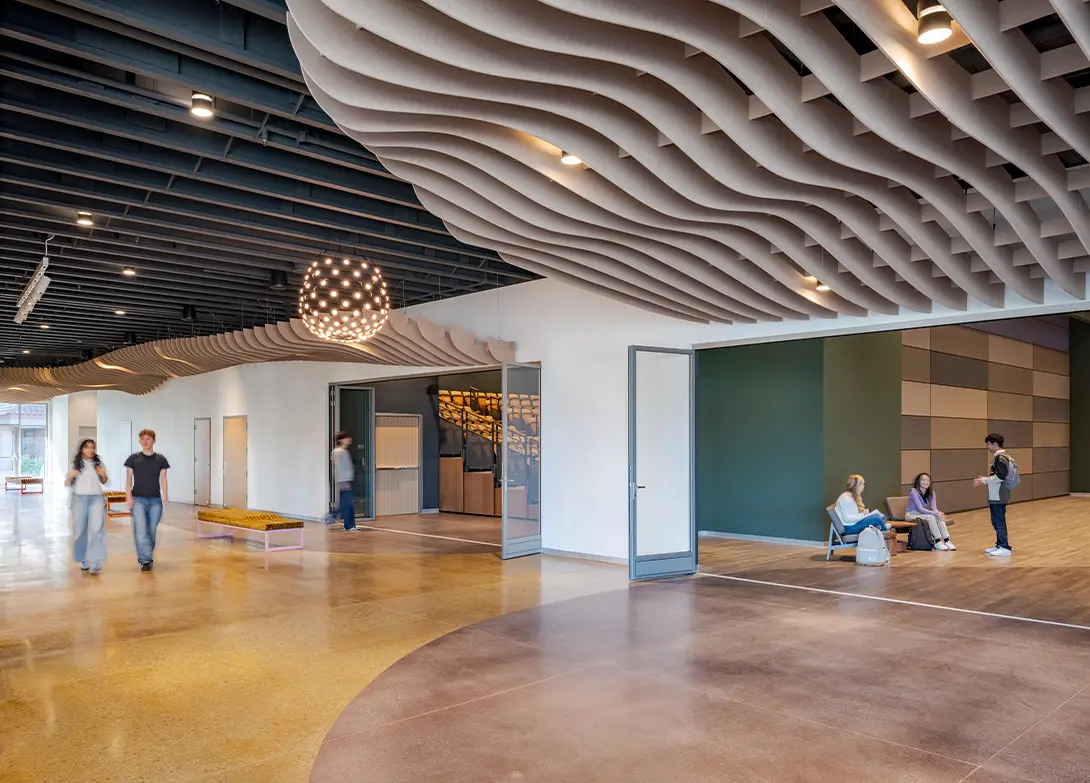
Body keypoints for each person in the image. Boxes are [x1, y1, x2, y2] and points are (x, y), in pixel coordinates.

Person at [125, 429, 170, 571]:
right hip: (138, 499)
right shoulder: (133, 459)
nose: (145, 441)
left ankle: (147, 553)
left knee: (151, 529)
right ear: (139, 441)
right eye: (142, 439)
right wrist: (128, 496)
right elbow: (128, 480)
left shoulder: (160, 459)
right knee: (140, 529)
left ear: (154, 441)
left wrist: (165, 495)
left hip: (155, 501)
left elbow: (163, 479)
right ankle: (145, 559)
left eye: (148, 439)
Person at [65, 438, 108, 574]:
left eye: (92, 447)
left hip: (96, 498)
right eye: (87, 447)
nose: (91, 450)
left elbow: (105, 481)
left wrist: (103, 474)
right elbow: (66, 482)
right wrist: (71, 476)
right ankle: (83, 559)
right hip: (79, 498)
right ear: (82, 449)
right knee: (80, 530)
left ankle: (95, 560)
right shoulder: (74, 464)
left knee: (97, 529)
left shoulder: (98, 464)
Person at [974, 433, 1013, 557]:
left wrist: (984, 480)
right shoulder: (1004, 457)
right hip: (998, 494)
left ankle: (1004, 546)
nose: (988, 447)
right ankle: (1000, 544)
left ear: (995, 444)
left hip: (998, 495)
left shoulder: (1000, 458)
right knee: (997, 520)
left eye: (989, 444)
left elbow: (1000, 477)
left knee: (998, 521)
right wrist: (986, 479)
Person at [906, 472, 957, 551]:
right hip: (911, 515)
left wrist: (938, 513)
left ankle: (947, 540)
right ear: (918, 481)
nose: (926, 482)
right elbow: (920, 509)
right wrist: (935, 513)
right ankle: (937, 541)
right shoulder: (913, 493)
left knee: (937, 517)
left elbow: (934, 508)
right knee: (930, 517)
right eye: (923, 480)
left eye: (928, 480)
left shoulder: (932, 493)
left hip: (922, 514)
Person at [331, 431, 362, 532]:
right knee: (348, 504)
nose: (349, 440)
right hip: (344, 480)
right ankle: (346, 524)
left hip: (345, 480)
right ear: (341, 440)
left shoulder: (341, 451)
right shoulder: (339, 452)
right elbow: (340, 468)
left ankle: (347, 524)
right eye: (346, 438)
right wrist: (343, 482)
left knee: (346, 503)